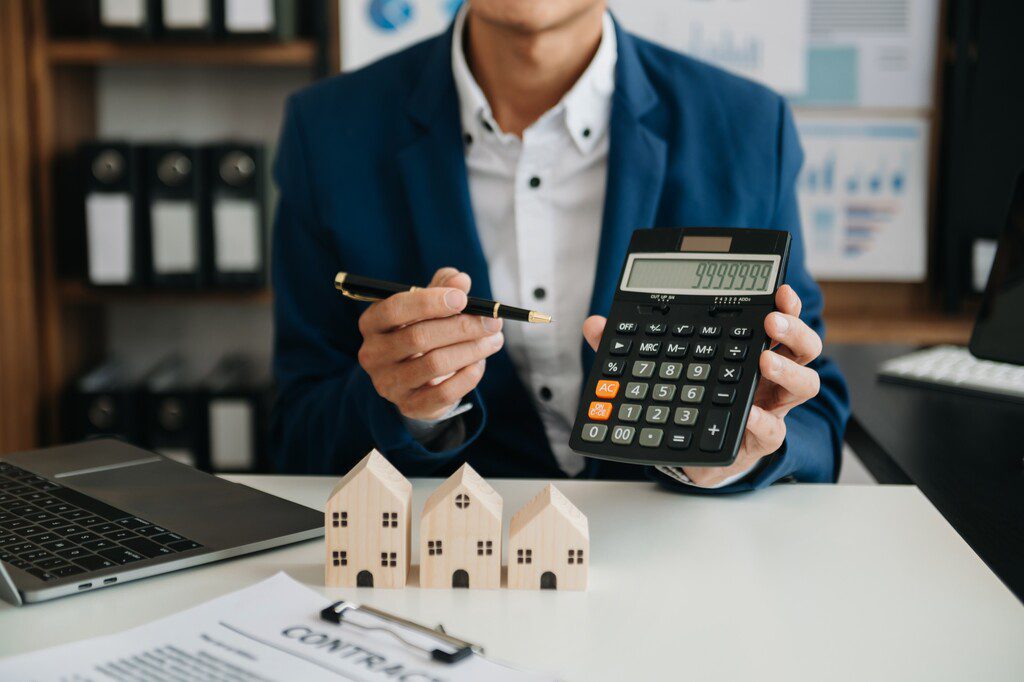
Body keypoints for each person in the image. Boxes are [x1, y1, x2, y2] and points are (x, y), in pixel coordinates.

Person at [270, 0, 849, 492]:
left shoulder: (746, 127)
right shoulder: (327, 132)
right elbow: (295, 436)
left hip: (682, 565)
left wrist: (742, 453)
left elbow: (816, 414)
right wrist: (408, 408)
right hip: (447, 565)